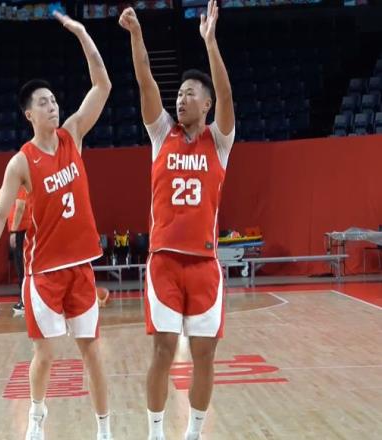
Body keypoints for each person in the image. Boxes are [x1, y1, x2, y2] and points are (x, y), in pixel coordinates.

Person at [0, 11, 113, 440]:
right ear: (28, 114)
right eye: (44, 102)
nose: (53, 106)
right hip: (44, 272)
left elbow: (102, 86)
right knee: (45, 354)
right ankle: (36, 416)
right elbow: (0, 215)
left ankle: (104, 429)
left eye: (54, 100)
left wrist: (83, 34)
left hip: (80, 266)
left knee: (93, 352)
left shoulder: (73, 135)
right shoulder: (21, 162)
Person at [119, 2, 235, 439]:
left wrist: (210, 42)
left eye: (190, 94)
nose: (181, 99)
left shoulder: (219, 141)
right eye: (180, 93)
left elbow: (226, 95)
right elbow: (145, 78)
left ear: (206, 104)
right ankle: (155, 433)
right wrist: (136, 35)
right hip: (164, 261)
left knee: (204, 355)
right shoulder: (160, 133)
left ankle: (194, 433)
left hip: (204, 264)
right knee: (163, 349)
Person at [8, 186, 31, 314]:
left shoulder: (21, 187)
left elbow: (20, 207)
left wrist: (14, 231)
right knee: (23, 265)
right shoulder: (17, 188)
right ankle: (26, 299)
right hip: (22, 230)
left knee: (22, 266)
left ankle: (25, 300)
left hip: (22, 230)